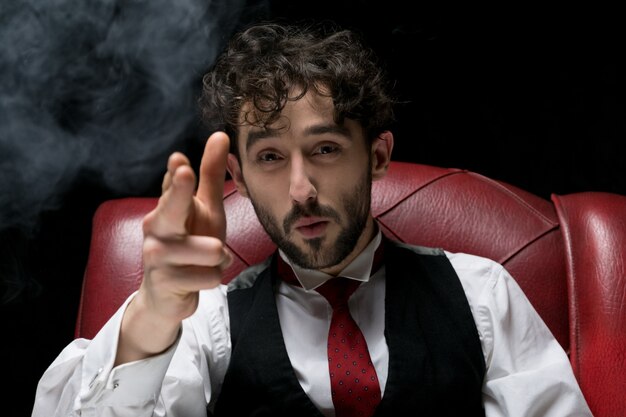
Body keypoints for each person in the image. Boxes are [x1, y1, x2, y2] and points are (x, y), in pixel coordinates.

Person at [32, 21, 593, 417]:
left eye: (324, 149)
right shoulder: (206, 325)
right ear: (240, 177)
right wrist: (152, 315)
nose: (300, 190)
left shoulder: (483, 296)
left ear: (376, 156)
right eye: (271, 158)